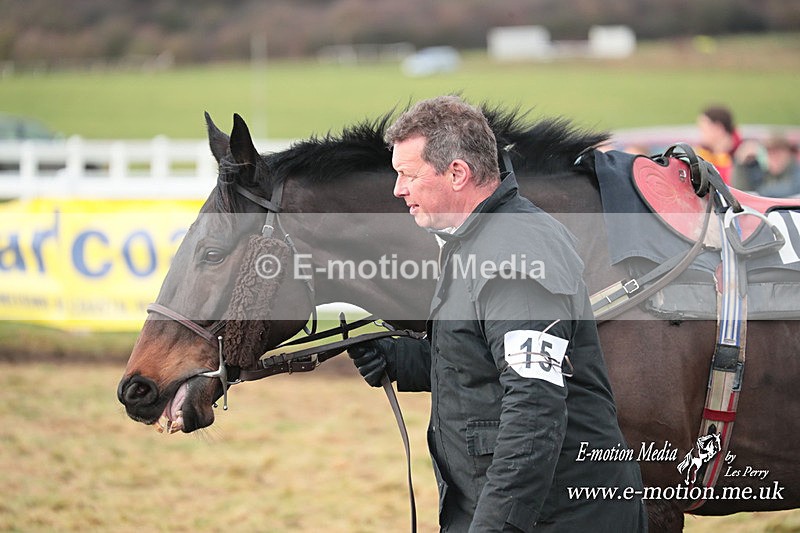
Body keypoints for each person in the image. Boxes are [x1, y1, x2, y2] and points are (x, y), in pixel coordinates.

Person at [348, 96, 646, 532]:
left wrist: (494, 527)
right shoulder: (476, 241)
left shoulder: (515, 256)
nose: (398, 189)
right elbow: (485, 359)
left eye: (407, 174)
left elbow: (534, 408)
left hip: (559, 518)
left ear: (457, 173)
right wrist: (401, 361)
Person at [732, 133, 800, 197]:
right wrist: (741, 164)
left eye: (778, 154)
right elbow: (741, 192)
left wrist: (757, 193)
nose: (774, 158)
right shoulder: (762, 173)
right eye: (770, 154)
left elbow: (790, 189)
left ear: (789, 154)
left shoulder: (796, 172)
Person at [695, 105, 741, 185]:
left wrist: (721, 155)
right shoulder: (704, 152)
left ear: (718, 129)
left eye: (703, 129)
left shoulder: (742, 155)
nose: (701, 134)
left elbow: (725, 187)